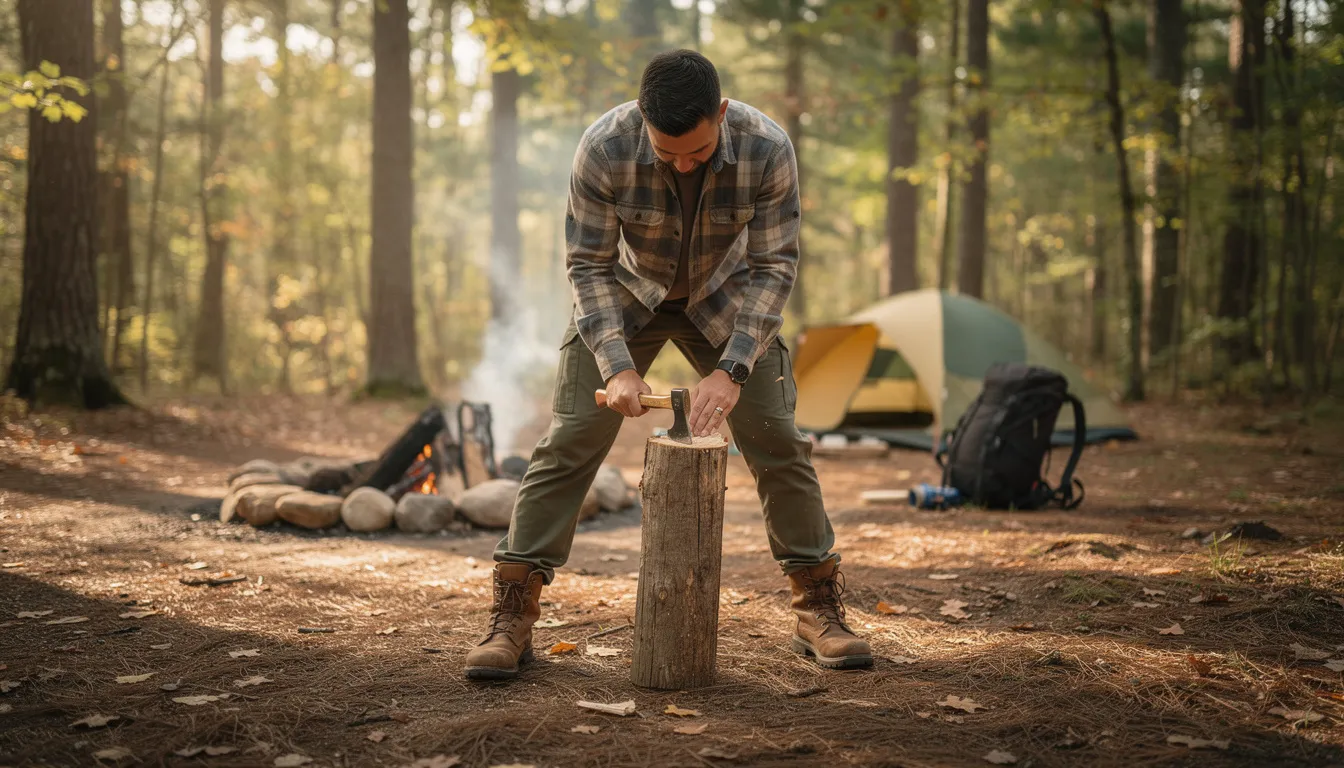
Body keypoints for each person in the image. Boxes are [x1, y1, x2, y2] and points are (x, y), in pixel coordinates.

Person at [464, 49, 871, 681]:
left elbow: (775, 267)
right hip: (626, 297)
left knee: (778, 440)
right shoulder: (603, 147)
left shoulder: (768, 148)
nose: (682, 164)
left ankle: (818, 607)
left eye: (698, 153)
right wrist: (616, 366)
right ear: (642, 119)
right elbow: (588, 266)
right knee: (570, 438)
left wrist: (733, 369)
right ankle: (512, 614)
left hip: (730, 299)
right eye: (667, 153)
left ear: (723, 114)